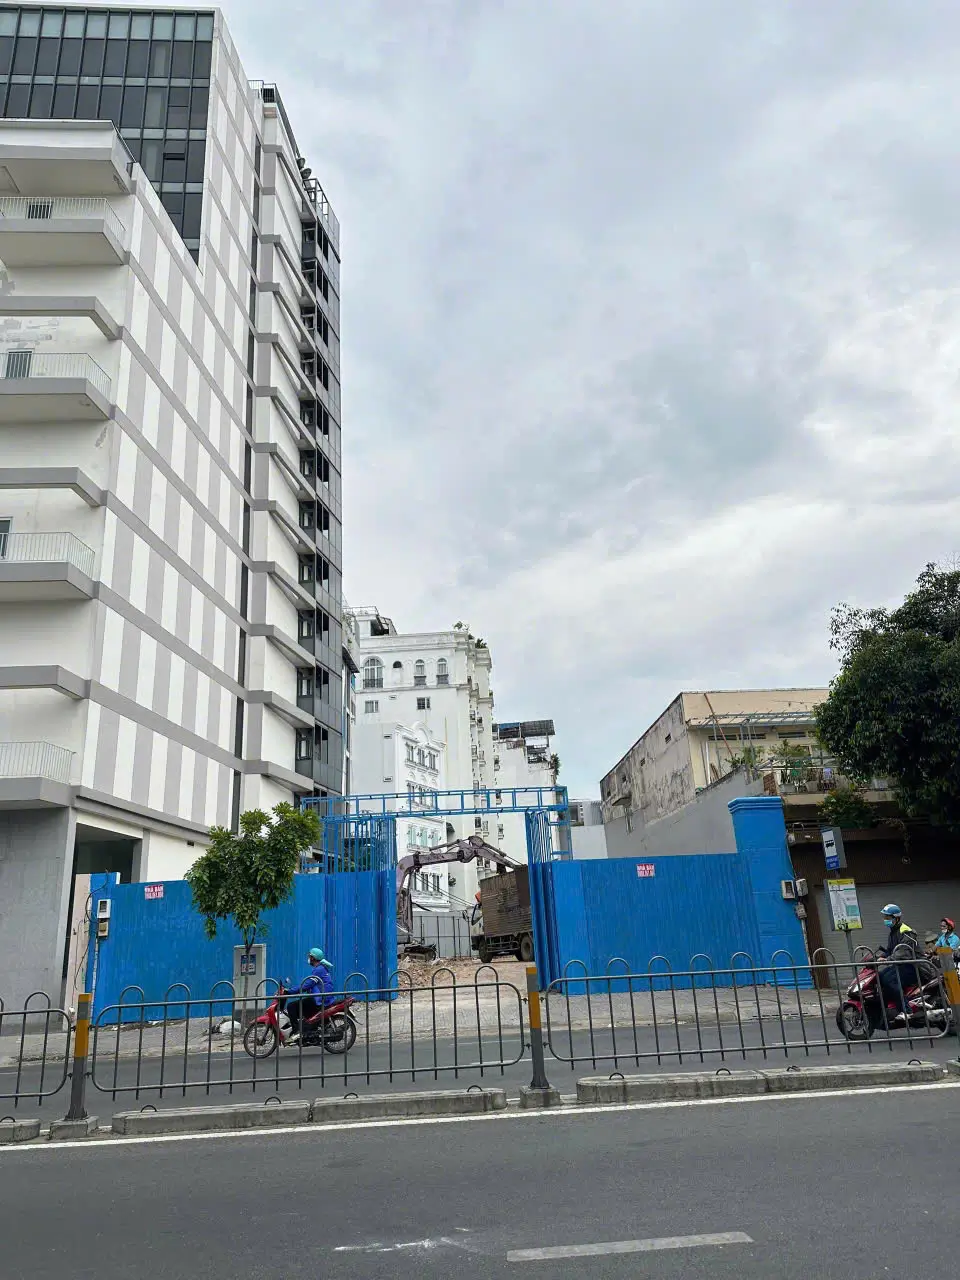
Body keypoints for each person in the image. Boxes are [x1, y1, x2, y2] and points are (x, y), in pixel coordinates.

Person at [876, 905, 921, 1014]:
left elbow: (903, 952)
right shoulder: (892, 932)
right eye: (884, 917)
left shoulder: (905, 931)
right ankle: (890, 1009)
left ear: (896, 918)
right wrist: (878, 957)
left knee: (889, 980)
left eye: (888, 917)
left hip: (913, 966)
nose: (885, 920)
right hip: (901, 965)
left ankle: (906, 1010)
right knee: (880, 976)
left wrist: (887, 959)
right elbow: (890, 950)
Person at [285, 947, 334, 1043]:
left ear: (313, 958)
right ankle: (308, 1030)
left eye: (309, 956)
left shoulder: (319, 970)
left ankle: (297, 1032)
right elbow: (312, 985)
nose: (308, 958)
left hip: (320, 1000)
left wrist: (289, 991)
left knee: (291, 1006)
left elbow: (307, 984)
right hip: (322, 998)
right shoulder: (321, 968)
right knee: (304, 1007)